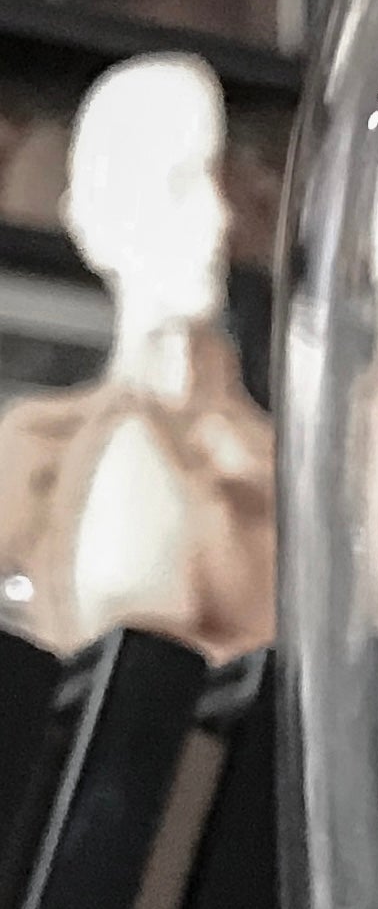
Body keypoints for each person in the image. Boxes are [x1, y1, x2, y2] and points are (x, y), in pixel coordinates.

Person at [0, 53, 274, 661]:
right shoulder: (35, 445)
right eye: (181, 183)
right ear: (107, 210)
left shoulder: (259, 461)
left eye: (219, 183)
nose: (219, 218)